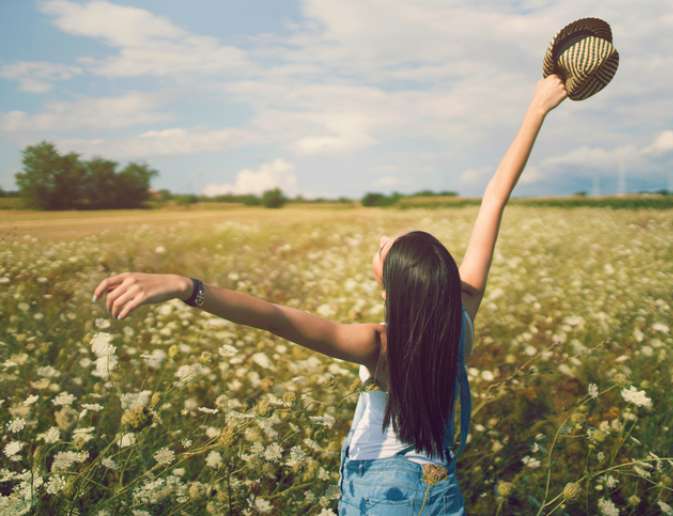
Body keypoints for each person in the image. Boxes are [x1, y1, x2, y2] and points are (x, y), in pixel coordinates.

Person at [91, 73, 567, 515]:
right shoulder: (461, 314)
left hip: (384, 494)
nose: (380, 242)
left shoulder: (377, 345)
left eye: (386, 248)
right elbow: (494, 199)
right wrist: (537, 110)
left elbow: (274, 316)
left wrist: (186, 287)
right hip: (439, 487)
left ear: (390, 286)